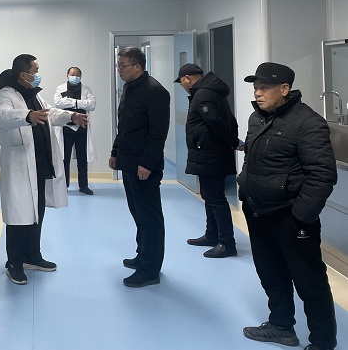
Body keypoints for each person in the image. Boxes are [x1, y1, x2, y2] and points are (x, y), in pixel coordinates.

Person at [238, 62, 337, 350]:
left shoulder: (308, 123)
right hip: (258, 212)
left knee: (309, 282)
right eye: (255, 87)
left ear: (284, 89)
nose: (257, 93)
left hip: (290, 218)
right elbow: (252, 162)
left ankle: (322, 343)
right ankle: (281, 326)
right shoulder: (257, 118)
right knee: (271, 273)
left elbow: (322, 175)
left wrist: (300, 217)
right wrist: (246, 192)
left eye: (264, 88)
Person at [0, 55, 89, 285]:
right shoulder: (5, 96)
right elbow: (3, 116)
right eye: (35, 70)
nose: (38, 74)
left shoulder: (34, 95)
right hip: (19, 164)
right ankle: (14, 263)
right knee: (19, 216)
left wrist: (71, 116)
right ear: (23, 74)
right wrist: (27, 116)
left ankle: (32, 257)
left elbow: (50, 113)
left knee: (37, 212)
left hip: (39, 163)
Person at [109, 46, 170, 288]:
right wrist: (115, 152)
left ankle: (150, 270)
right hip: (128, 162)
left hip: (144, 166)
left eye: (122, 66)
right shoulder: (130, 88)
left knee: (149, 217)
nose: (119, 70)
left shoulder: (154, 91)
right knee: (137, 212)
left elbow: (158, 133)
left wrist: (147, 163)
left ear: (137, 67)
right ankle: (142, 254)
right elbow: (124, 126)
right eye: (118, 65)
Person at [175, 63, 240, 258]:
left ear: (187, 79)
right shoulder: (209, 92)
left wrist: (233, 142)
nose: (183, 86)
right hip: (210, 153)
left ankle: (227, 243)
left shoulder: (203, 94)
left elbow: (216, 123)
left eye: (182, 83)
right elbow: (228, 120)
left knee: (216, 198)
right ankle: (212, 234)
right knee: (209, 196)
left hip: (211, 154)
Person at [54, 67, 96, 195]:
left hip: (82, 129)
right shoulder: (60, 88)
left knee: (82, 159)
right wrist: (80, 103)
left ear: (81, 76)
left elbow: (92, 104)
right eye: (72, 74)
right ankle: (64, 185)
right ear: (67, 75)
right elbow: (58, 103)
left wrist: (71, 102)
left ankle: (83, 185)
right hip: (66, 128)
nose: (74, 77)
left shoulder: (86, 89)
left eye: (77, 75)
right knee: (64, 159)